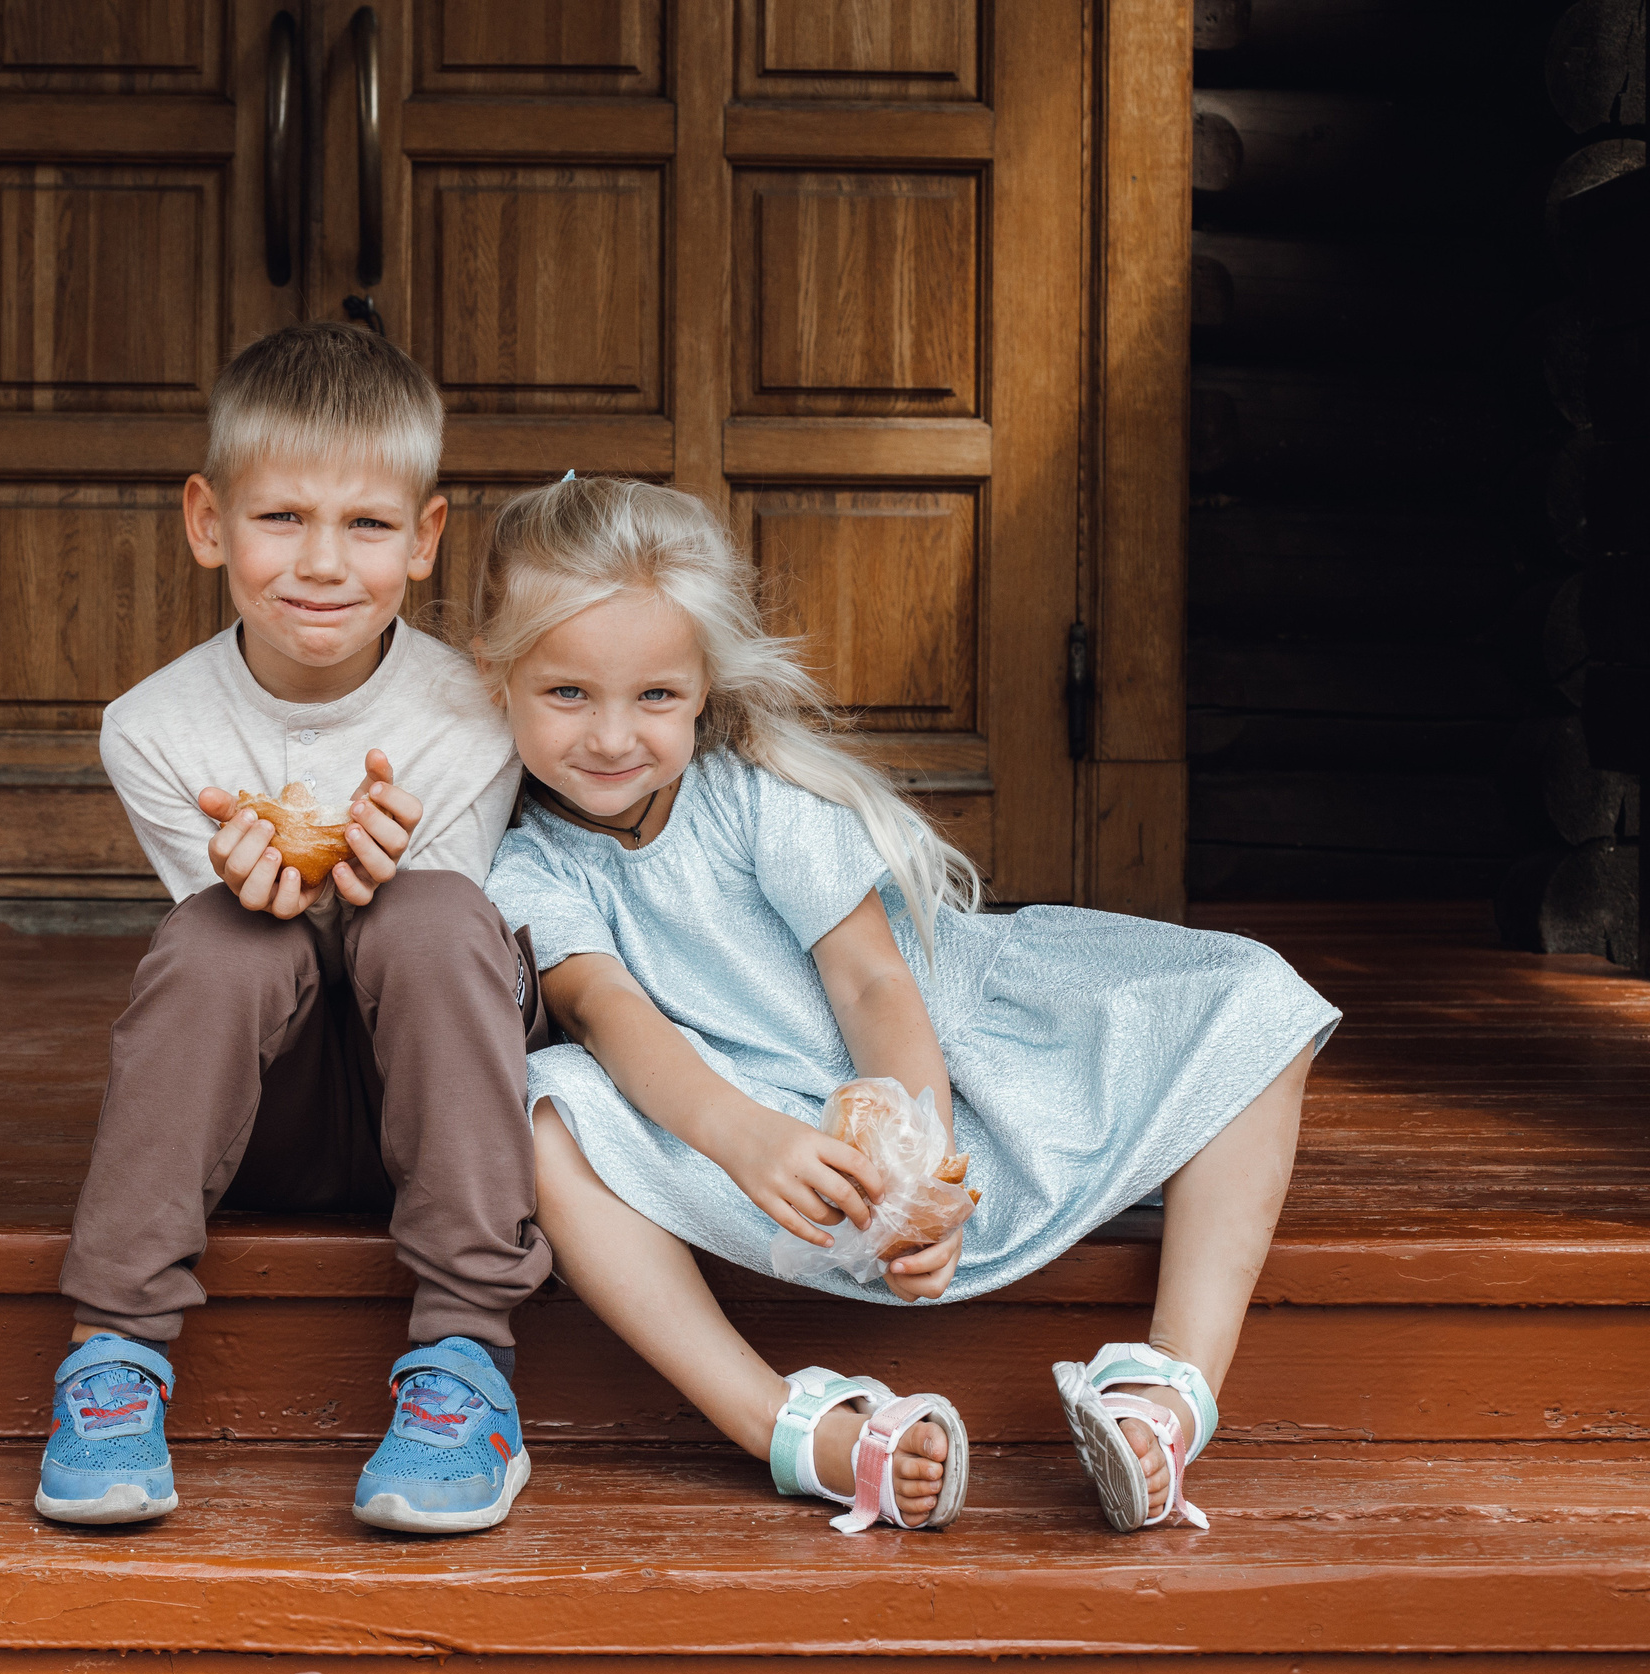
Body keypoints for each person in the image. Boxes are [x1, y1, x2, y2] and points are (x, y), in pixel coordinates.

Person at [471, 476, 1339, 1535]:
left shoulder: (749, 796)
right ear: (496, 678)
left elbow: (872, 981)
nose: (611, 737)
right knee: (546, 1108)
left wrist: (920, 1169)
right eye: (567, 694)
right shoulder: (523, 869)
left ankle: (1167, 1394)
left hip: (919, 1077)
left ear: (704, 686)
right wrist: (751, 1142)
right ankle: (784, 1426)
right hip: (742, 1129)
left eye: (654, 696)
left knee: (1250, 997)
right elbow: (607, 1012)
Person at [41, 323, 552, 1534]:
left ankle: (468, 1359)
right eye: (280, 520)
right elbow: (265, 947)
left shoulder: (474, 712)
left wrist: (372, 875)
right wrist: (264, 889)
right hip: (261, 1117)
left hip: (423, 1118)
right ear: (207, 522)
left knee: (428, 915)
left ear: (424, 539)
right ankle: (113, 1346)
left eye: (367, 525)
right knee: (224, 935)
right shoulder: (152, 730)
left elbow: (422, 959)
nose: (322, 564)